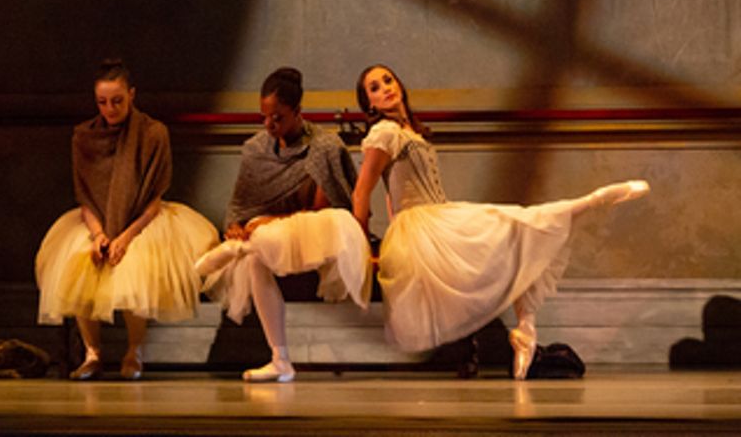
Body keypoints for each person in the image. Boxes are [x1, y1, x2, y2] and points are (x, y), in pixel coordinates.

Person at [350, 64, 650, 379]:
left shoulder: (410, 131)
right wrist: (361, 246)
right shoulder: (383, 133)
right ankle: (589, 202)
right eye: (374, 87)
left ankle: (526, 330)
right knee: (519, 225)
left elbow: (389, 190)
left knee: (519, 232)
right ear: (369, 103)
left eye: (388, 79)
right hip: (421, 225)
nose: (385, 87)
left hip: (439, 216)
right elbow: (362, 193)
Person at [34, 60, 218, 381]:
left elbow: (154, 198)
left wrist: (126, 236)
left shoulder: (153, 133)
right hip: (96, 221)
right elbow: (84, 197)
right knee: (78, 265)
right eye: (103, 102)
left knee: (136, 268)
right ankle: (93, 353)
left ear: (131, 95)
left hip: (142, 220)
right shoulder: (84, 136)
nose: (110, 108)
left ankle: (135, 350)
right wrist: (98, 235)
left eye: (117, 100)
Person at [193, 67, 371, 382]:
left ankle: (235, 249)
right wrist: (235, 224)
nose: (269, 125)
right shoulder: (257, 149)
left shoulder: (324, 148)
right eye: (264, 117)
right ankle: (280, 359)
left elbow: (320, 210)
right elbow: (241, 204)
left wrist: (266, 222)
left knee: (260, 236)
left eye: (278, 118)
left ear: (298, 113)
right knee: (255, 255)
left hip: (319, 233)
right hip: (270, 239)